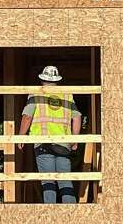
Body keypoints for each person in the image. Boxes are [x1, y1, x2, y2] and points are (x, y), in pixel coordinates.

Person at [19, 65, 82, 203]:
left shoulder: (36, 94)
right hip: (63, 144)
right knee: (65, 182)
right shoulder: (66, 95)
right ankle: (71, 214)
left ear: (42, 79)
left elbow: (27, 117)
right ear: (56, 80)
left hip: (43, 143)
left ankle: (51, 214)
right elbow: (77, 117)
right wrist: (75, 140)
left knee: (48, 182)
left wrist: (21, 136)